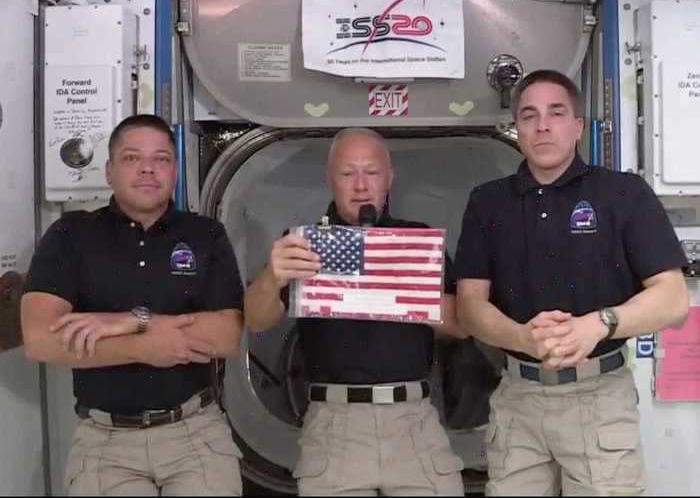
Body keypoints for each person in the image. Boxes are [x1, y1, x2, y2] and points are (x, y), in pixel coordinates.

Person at [454, 69, 689, 496]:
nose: (542, 125)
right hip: (518, 402)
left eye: (556, 112)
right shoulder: (487, 202)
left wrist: (598, 324)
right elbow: (470, 306)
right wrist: (521, 338)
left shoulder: (623, 194)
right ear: (517, 127)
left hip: (600, 399)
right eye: (529, 115)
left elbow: (672, 298)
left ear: (578, 126)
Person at [21, 114, 245, 496]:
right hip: (106, 443)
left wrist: (129, 320)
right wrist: (146, 345)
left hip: (196, 435)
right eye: (131, 158)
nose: (147, 169)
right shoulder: (70, 235)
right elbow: (41, 338)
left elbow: (225, 336)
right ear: (109, 170)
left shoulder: (205, 234)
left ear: (174, 170)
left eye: (161, 159)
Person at [244, 127, 466, 496]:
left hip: (413, 420)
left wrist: (404, 295)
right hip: (334, 425)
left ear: (389, 178)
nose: (361, 185)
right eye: (348, 174)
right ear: (330, 180)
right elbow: (256, 319)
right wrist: (271, 276)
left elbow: (461, 325)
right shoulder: (303, 243)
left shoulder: (417, 242)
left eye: (372, 172)